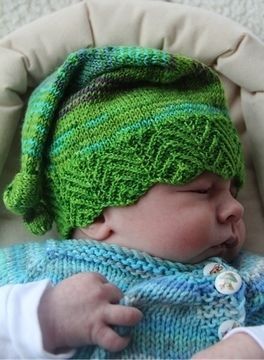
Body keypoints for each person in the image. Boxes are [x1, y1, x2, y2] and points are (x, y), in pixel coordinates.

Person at [0, 46, 263, 359]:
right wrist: (42, 319)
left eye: (233, 191)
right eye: (202, 190)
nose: (236, 208)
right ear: (97, 216)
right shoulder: (41, 272)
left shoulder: (249, 275)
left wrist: (252, 343)